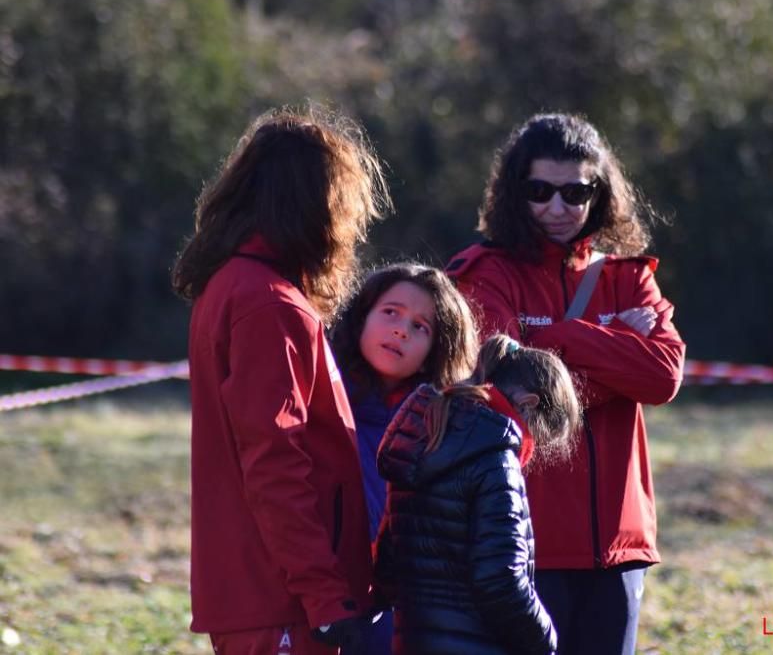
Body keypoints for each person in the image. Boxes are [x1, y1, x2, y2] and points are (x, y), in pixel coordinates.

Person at [446, 113, 686, 655]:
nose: (558, 208)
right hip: (521, 544)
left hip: (617, 546)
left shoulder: (629, 275)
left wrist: (559, 339)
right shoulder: (484, 273)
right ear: (514, 191)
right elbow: (508, 392)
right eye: (540, 191)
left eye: (576, 192)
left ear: (598, 192)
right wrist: (611, 342)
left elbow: (663, 375)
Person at [171, 106, 390, 654]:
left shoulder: (232, 287)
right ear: (317, 206)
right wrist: (324, 595)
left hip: (264, 593)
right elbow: (274, 464)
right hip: (283, 603)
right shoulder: (268, 306)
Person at [373, 335, 581, 655]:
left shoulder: (428, 434)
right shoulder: (495, 458)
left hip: (413, 638)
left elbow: (388, 559)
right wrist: (544, 640)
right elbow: (501, 579)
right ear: (528, 404)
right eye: (536, 436)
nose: (530, 449)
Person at [330, 263, 479, 654]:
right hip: (322, 602)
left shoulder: (446, 428)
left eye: (421, 327)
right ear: (362, 316)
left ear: (437, 350)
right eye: (391, 312)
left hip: (405, 613)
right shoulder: (318, 403)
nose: (401, 330)